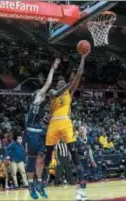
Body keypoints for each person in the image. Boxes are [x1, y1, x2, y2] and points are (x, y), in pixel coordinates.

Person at [44, 52, 90, 194]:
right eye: (60, 82)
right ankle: (44, 177)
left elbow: (79, 74)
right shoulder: (53, 92)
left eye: (63, 82)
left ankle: (81, 178)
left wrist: (82, 59)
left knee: (73, 150)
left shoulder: (69, 92)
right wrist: (68, 84)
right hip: (53, 124)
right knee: (48, 153)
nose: (61, 83)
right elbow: (54, 94)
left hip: (65, 122)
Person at [23, 58, 60, 199]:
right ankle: (31, 185)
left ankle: (39, 183)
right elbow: (48, 84)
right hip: (31, 134)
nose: (43, 92)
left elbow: (47, 120)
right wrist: (53, 68)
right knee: (32, 161)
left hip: (40, 134)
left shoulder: (44, 107)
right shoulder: (37, 98)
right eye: (41, 91)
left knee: (40, 160)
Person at [75, 126, 97, 200]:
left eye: (83, 129)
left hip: (85, 160)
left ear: (86, 131)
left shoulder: (89, 139)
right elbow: (72, 152)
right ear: (78, 131)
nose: (82, 130)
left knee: (85, 176)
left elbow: (89, 150)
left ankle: (80, 192)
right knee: (81, 175)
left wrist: (92, 160)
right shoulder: (76, 140)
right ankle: (79, 193)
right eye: (80, 129)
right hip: (78, 160)